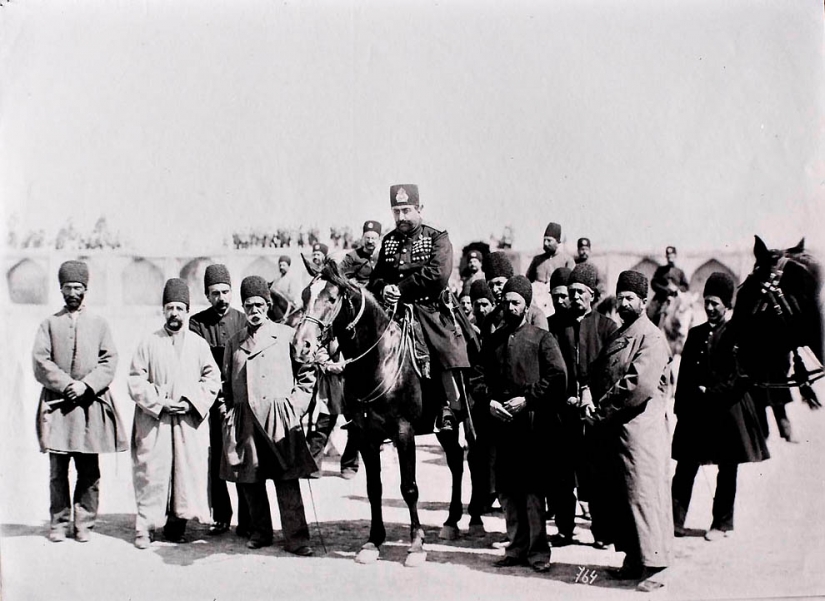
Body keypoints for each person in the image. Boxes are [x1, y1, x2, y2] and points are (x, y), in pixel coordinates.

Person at [586, 270, 673, 591]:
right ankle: (634, 558)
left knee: (644, 495)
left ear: (644, 301)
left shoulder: (651, 338)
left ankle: (656, 566)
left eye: (630, 298)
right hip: (617, 431)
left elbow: (637, 385)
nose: (623, 303)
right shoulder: (622, 333)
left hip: (641, 434)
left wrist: (600, 409)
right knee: (624, 497)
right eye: (620, 297)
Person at [474, 276, 567, 573]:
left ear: (527, 306)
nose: (510, 307)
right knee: (507, 489)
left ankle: (538, 551)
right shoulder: (493, 340)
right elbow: (477, 377)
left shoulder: (542, 338)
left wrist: (527, 399)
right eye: (506, 302)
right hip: (502, 427)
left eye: (516, 303)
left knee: (532, 491)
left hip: (532, 427)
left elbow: (557, 377)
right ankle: (515, 547)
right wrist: (489, 402)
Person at [369, 184, 477, 432]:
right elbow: (377, 278)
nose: (401, 217)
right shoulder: (389, 240)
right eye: (396, 212)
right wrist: (384, 288)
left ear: (420, 209)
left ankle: (449, 406)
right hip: (395, 310)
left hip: (432, 309)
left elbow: (438, 274)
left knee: (448, 350)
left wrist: (402, 288)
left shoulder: (436, 236)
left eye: (406, 210)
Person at [32, 260, 128, 543]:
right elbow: (40, 361)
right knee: (58, 470)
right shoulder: (49, 324)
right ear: (60, 289)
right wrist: (66, 385)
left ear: (86, 289)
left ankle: (84, 523)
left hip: (89, 404)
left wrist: (85, 385)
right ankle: (59, 523)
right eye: (67, 288)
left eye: (78, 287)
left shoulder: (99, 324)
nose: (73, 293)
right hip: (58, 407)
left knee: (89, 470)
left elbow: (109, 361)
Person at [221, 276, 317, 554]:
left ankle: (297, 538)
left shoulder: (286, 335)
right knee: (250, 478)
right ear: (243, 307)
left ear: (268, 305)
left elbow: (307, 374)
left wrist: (295, 407)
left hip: (279, 417)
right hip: (245, 419)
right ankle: (260, 532)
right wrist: (230, 416)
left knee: (286, 477)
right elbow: (225, 385)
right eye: (249, 306)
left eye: (259, 305)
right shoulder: (234, 342)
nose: (254, 311)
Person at [671, 273, 770, 541]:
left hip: (727, 411)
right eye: (707, 302)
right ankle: (674, 521)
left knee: (727, 468)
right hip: (696, 413)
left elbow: (741, 378)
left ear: (727, 304)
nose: (710, 308)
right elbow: (684, 377)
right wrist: (681, 409)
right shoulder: (695, 334)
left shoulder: (737, 334)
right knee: (685, 467)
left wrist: (712, 393)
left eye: (715, 303)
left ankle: (722, 523)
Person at [128, 278, 221, 549]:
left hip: (186, 420)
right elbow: (135, 380)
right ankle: (145, 528)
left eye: (180, 308)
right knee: (151, 473)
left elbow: (212, 379)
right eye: (170, 308)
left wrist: (191, 402)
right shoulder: (149, 342)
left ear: (188, 311)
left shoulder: (198, 345)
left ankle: (176, 525)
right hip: (155, 419)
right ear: (163, 310)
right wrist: (160, 402)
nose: (174, 313)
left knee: (185, 473)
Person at [188, 264, 250, 536]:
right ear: (206, 295)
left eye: (225, 292)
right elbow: (198, 362)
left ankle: (248, 518)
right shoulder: (197, 323)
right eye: (215, 293)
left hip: (241, 399)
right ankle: (221, 516)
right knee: (217, 455)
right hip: (214, 400)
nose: (221, 298)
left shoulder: (243, 319)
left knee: (244, 456)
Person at [481, 251, 548, 335]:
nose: (495, 289)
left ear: (510, 281)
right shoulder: (490, 318)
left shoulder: (534, 315)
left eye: (499, 283)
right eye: (491, 286)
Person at [649, 246, 690, 325]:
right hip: (661, 299)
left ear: (675, 256)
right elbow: (654, 283)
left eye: (672, 255)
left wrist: (677, 288)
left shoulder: (679, 272)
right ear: (666, 257)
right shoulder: (661, 270)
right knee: (651, 313)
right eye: (668, 256)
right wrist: (665, 289)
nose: (670, 257)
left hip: (675, 299)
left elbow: (686, 286)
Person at [339, 220, 382, 286]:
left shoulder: (383, 256)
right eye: (367, 238)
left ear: (379, 239)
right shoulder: (353, 256)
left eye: (373, 238)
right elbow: (338, 271)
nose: (370, 241)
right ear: (362, 238)